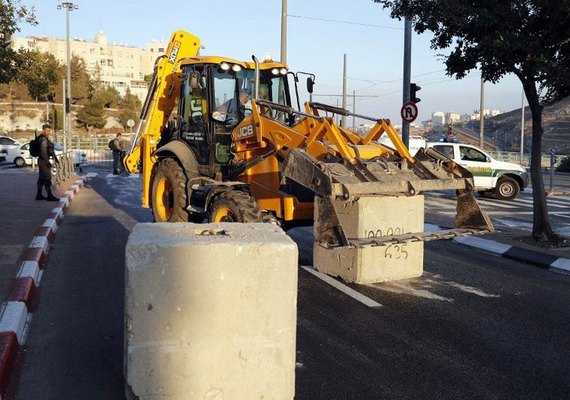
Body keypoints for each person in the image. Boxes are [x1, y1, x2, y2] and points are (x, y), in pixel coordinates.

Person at [36, 124, 60, 201]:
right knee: (47, 178)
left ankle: (39, 195)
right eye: (47, 130)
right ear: (43, 130)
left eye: (50, 131)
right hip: (43, 161)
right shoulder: (43, 139)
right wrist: (47, 162)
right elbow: (43, 152)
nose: (49, 132)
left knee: (41, 178)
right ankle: (49, 195)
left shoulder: (43, 138)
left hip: (42, 160)